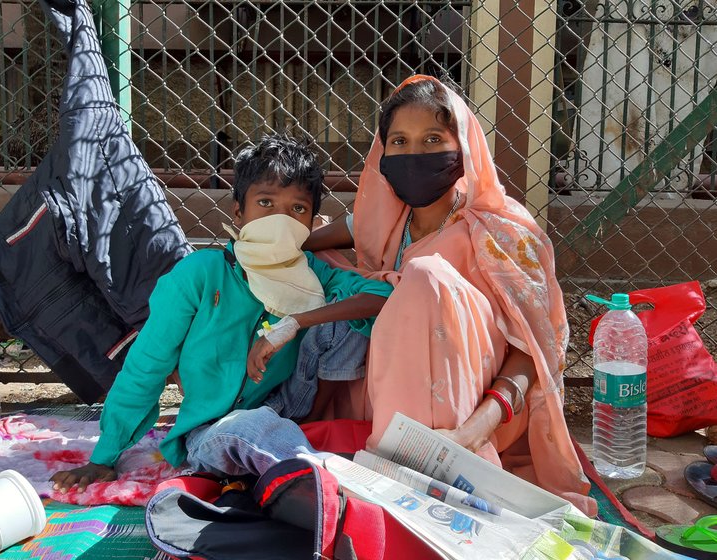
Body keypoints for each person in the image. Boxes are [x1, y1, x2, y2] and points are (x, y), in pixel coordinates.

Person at [303, 75, 596, 515]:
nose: (414, 153)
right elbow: (336, 233)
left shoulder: (499, 231)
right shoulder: (385, 222)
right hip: (388, 393)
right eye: (399, 141)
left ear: (464, 150)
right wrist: (276, 246)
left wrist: (475, 432)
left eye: (433, 139)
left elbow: (532, 353)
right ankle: (379, 450)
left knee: (423, 279)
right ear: (382, 155)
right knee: (316, 271)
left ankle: (427, 470)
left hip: (479, 412)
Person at [51, 133, 393, 492]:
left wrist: (294, 322)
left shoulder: (313, 273)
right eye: (265, 203)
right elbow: (146, 366)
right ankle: (324, 480)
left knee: (347, 320)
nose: (281, 220)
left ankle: (309, 446)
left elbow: (381, 296)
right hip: (213, 428)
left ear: (311, 223)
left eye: (297, 209)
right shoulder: (199, 274)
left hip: (289, 405)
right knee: (244, 430)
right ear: (238, 212)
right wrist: (103, 457)